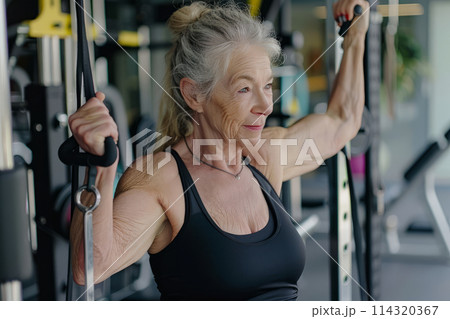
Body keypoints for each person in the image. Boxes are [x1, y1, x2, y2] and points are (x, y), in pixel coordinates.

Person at [68, 0, 369, 300]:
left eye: (267, 86)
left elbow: (340, 122)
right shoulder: (163, 180)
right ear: (194, 94)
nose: (266, 106)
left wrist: (355, 37)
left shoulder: (263, 158)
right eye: (244, 89)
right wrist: (99, 165)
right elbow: (90, 267)